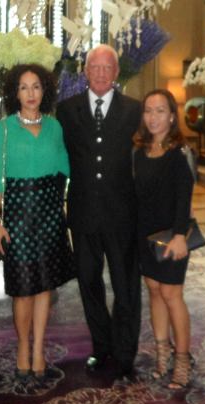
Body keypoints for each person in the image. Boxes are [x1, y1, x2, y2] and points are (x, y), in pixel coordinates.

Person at [56, 44, 142, 381]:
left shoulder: (135, 110)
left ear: (117, 73)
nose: (102, 73)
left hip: (123, 216)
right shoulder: (66, 110)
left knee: (125, 287)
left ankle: (125, 353)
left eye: (108, 68)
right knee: (89, 283)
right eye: (96, 67)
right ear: (86, 72)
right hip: (83, 215)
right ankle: (102, 347)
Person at [0, 63, 75, 383]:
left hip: (51, 211)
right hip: (18, 214)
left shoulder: (55, 127)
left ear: (45, 91)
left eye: (36, 86)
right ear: (15, 93)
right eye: (23, 87)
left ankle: (39, 350)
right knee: (23, 289)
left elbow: (67, 167)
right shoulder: (3, 129)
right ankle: (23, 346)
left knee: (44, 287)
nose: (30, 93)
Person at [133, 89, 195, 390]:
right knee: (155, 292)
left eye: (160, 111)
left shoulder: (179, 152)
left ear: (172, 115)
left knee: (172, 296)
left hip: (172, 237)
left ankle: (182, 361)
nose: (153, 117)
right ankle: (162, 356)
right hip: (145, 236)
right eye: (148, 110)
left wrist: (181, 235)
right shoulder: (140, 150)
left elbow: (185, 199)